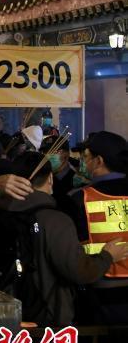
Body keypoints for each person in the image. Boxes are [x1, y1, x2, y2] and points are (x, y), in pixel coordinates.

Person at [0, 152, 128, 326]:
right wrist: (108, 256)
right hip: (46, 316)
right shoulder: (54, 220)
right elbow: (79, 270)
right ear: (50, 178)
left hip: (5, 312)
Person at [57, 131, 128, 323]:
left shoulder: (79, 198)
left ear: (99, 161)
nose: (82, 163)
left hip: (100, 295)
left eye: (85, 158)